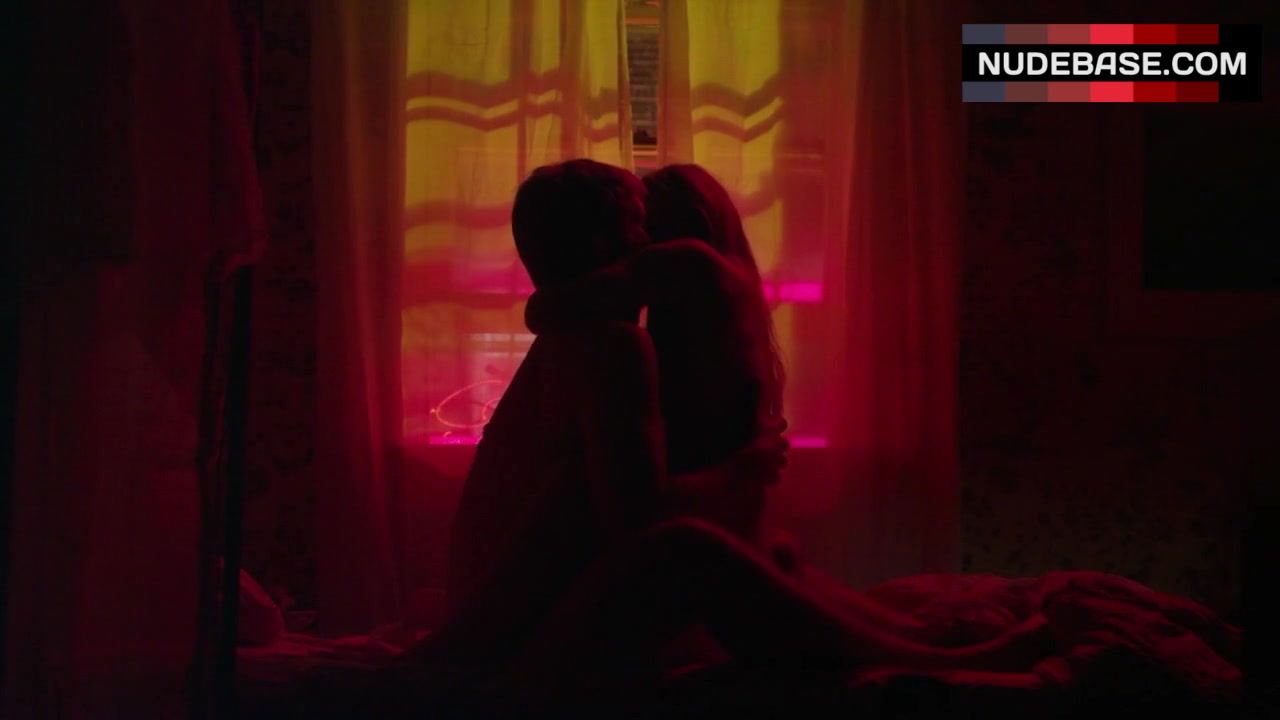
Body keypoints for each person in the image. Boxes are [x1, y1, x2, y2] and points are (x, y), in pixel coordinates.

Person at [514, 164, 1050, 704]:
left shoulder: (686, 266)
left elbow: (560, 303)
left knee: (754, 563)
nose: (642, 238)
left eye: (647, 221)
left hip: (700, 501)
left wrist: (541, 299)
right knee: (777, 560)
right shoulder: (720, 282)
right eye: (636, 222)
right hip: (717, 496)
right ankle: (925, 641)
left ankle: (931, 652)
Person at [406, 159, 669, 684]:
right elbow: (637, 520)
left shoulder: (559, 342)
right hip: (528, 643)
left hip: (491, 621)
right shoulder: (612, 345)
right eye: (640, 224)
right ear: (602, 242)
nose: (654, 242)